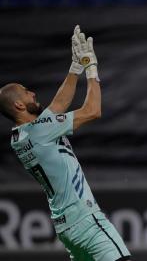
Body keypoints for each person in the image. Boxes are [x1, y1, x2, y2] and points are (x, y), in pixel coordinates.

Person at [0, 25, 131, 261]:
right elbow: (93, 110)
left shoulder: (20, 137)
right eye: (25, 92)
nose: (32, 93)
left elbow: (56, 107)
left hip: (66, 229)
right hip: (87, 221)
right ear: (19, 106)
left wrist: (74, 68)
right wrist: (91, 69)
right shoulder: (41, 131)